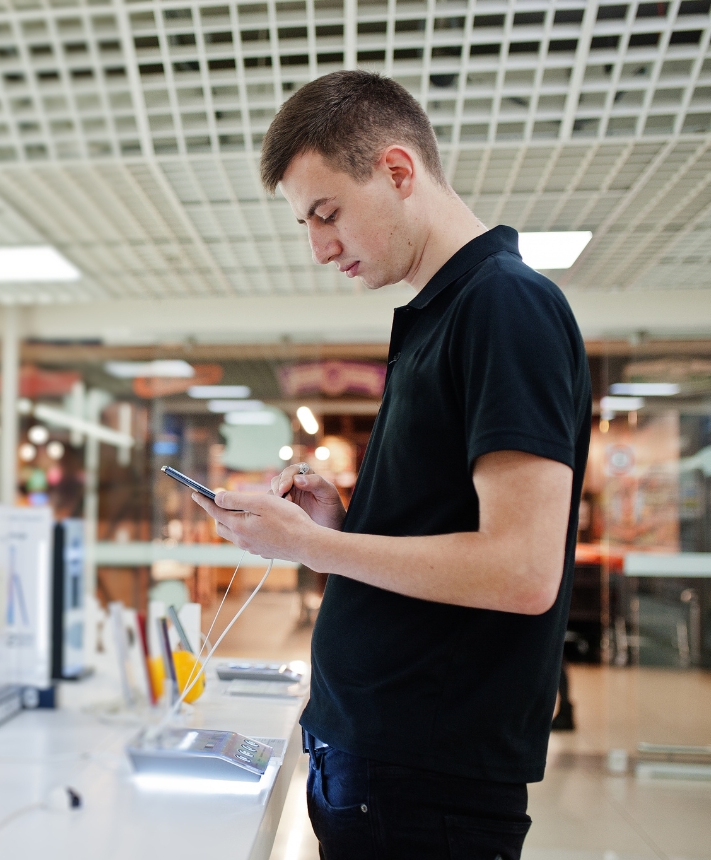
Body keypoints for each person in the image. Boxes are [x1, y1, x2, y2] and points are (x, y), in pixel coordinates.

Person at [191, 70, 591, 859]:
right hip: (386, 766)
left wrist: (305, 546)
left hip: (425, 780)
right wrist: (342, 523)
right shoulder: (440, 318)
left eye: (327, 213)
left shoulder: (502, 307)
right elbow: (448, 536)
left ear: (398, 172)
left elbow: (521, 569)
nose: (319, 248)